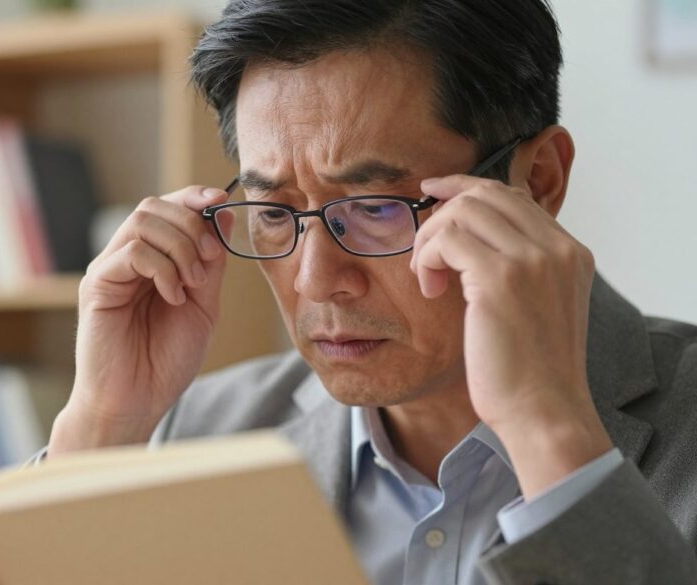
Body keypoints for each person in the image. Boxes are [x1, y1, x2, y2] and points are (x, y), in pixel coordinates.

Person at [38, 1, 697, 583]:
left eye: (376, 207)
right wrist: (101, 423)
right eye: (274, 212)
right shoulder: (201, 436)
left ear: (541, 182)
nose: (316, 279)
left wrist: (549, 429)